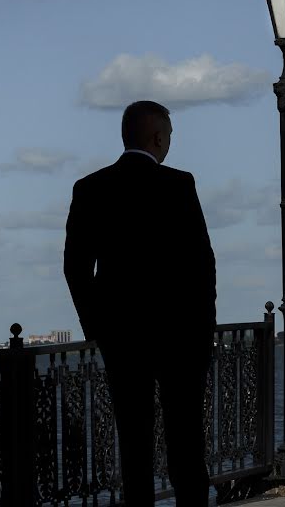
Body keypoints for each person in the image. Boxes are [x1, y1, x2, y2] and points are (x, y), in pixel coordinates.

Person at [63, 100, 216, 507]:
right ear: (158, 137)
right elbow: (203, 268)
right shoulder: (179, 184)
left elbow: (75, 269)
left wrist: (98, 329)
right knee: (186, 444)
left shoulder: (90, 188)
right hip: (180, 339)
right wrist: (204, 334)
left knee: (134, 445)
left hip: (123, 341)